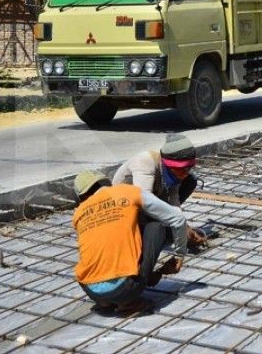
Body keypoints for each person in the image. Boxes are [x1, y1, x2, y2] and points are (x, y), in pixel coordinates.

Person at [72, 169, 187, 313]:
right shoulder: (127, 192)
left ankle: (106, 301)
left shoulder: (79, 213)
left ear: (83, 196)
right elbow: (178, 218)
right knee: (156, 228)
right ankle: (127, 302)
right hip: (125, 288)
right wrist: (179, 255)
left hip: (90, 290)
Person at [113, 133, 206, 247]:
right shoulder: (145, 161)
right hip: (126, 205)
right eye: (181, 170)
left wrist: (183, 227)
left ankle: (163, 227)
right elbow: (145, 202)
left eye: (188, 169)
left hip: (152, 196)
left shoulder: (175, 172)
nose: (184, 174)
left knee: (191, 180)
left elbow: (174, 199)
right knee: (154, 231)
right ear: (168, 164)